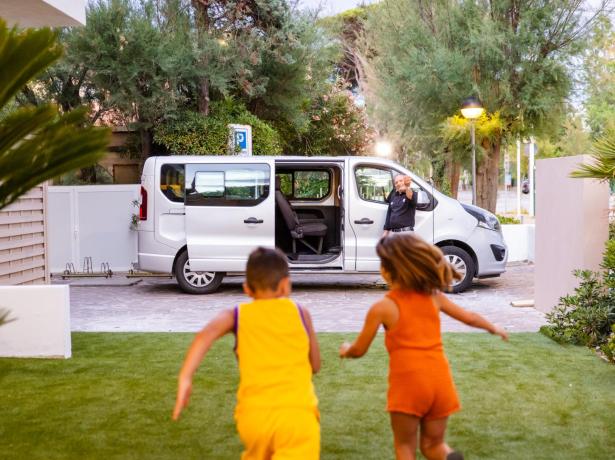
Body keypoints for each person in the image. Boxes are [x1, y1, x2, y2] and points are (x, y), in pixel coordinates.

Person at [339, 234, 508, 460]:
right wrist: (493, 327)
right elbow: (469, 317)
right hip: (440, 381)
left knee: (405, 447)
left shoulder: (383, 307)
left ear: (388, 271)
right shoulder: (434, 297)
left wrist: (346, 349)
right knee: (433, 446)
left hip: (408, 385)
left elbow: (359, 350)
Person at [173, 247, 321, 460]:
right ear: (285, 285)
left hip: (255, 418)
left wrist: (185, 377)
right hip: (297, 416)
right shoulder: (301, 313)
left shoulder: (237, 315)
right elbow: (315, 365)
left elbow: (205, 336)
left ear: (247, 289)